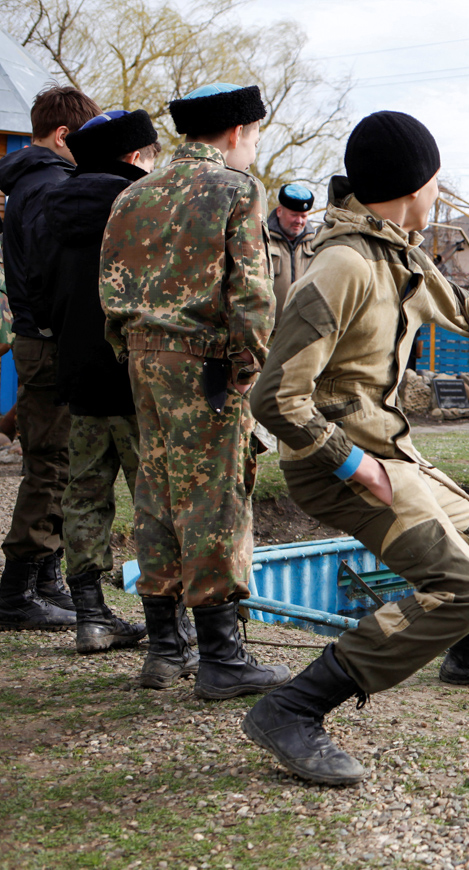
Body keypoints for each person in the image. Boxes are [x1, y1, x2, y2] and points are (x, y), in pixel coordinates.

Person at [242, 111, 469, 786]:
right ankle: (294, 708)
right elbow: (274, 399)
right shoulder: (341, 267)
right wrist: (353, 464)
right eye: (438, 179)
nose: (441, 190)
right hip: (339, 466)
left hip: (389, 450)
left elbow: (467, 310)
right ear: (416, 185)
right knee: (460, 586)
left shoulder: (397, 254)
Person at [99, 82, 287, 697]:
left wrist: (135, 351)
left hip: (140, 362)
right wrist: (248, 366)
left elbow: (111, 287)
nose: (255, 148)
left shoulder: (133, 192)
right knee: (215, 500)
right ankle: (222, 659)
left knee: (154, 494)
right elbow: (253, 297)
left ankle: (163, 649)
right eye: (256, 135)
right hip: (207, 366)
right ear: (236, 132)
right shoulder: (236, 190)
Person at [45, 110, 161, 653]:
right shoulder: (145, 205)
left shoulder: (54, 206)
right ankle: (169, 626)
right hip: (137, 375)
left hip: (79, 372)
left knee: (85, 493)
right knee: (154, 499)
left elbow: (38, 290)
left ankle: (91, 617)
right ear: (135, 156)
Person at [0, 85, 101, 632]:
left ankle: (44, 581)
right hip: (48, 340)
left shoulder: (33, 182)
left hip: (42, 340)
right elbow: (50, 271)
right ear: (64, 136)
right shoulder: (47, 186)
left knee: (58, 462)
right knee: (51, 466)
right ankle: (15, 592)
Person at [267, 183, 316, 321]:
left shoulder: (316, 243)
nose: (299, 221)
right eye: (294, 215)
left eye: (304, 216)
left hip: (301, 332)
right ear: (279, 211)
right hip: (269, 333)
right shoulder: (261, 240)